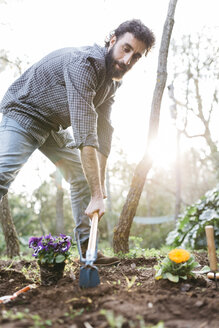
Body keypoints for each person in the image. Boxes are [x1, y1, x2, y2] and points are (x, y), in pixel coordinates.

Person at [0, 19, 155, 265]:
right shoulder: (84, 64)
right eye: (126, 49)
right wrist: (96, 193)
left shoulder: (111, 83)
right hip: (24, 113)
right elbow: (85, 133)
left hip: (52, 126)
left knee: (82, 176)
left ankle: (88, 251)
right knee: (2, 175)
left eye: (136, 57)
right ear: (113, 40)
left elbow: (103, 133)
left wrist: (99, 190)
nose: (127, 61)